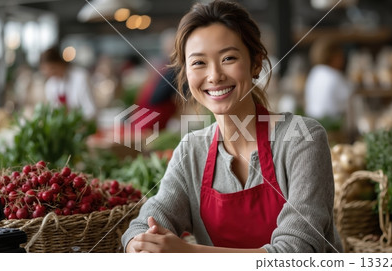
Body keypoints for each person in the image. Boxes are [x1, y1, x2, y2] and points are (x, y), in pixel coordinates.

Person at [122, 0, 343, 253]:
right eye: (199, 63)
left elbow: (295, 252)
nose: (214, 75)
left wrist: (187, 253)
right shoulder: (191, 151)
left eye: (228, 58)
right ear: (186, 74)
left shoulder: (302, 138)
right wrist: (139, 244)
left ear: (256, 63)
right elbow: (140, 226)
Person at [39, 47, 96, 119]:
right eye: (47, 72)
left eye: (52, 69)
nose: (51, 74)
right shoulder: (50, 85)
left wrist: (74, 120)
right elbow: (52, 111)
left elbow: (91, 110)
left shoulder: (80, 77)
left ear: (60, 63)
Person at [304, 38, 354, 121]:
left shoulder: (314, 72)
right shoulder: (334, 75)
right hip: (332, 124)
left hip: (312, 121)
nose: (343, 60)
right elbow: (350, 96)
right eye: (340, 56)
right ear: (333, 57)